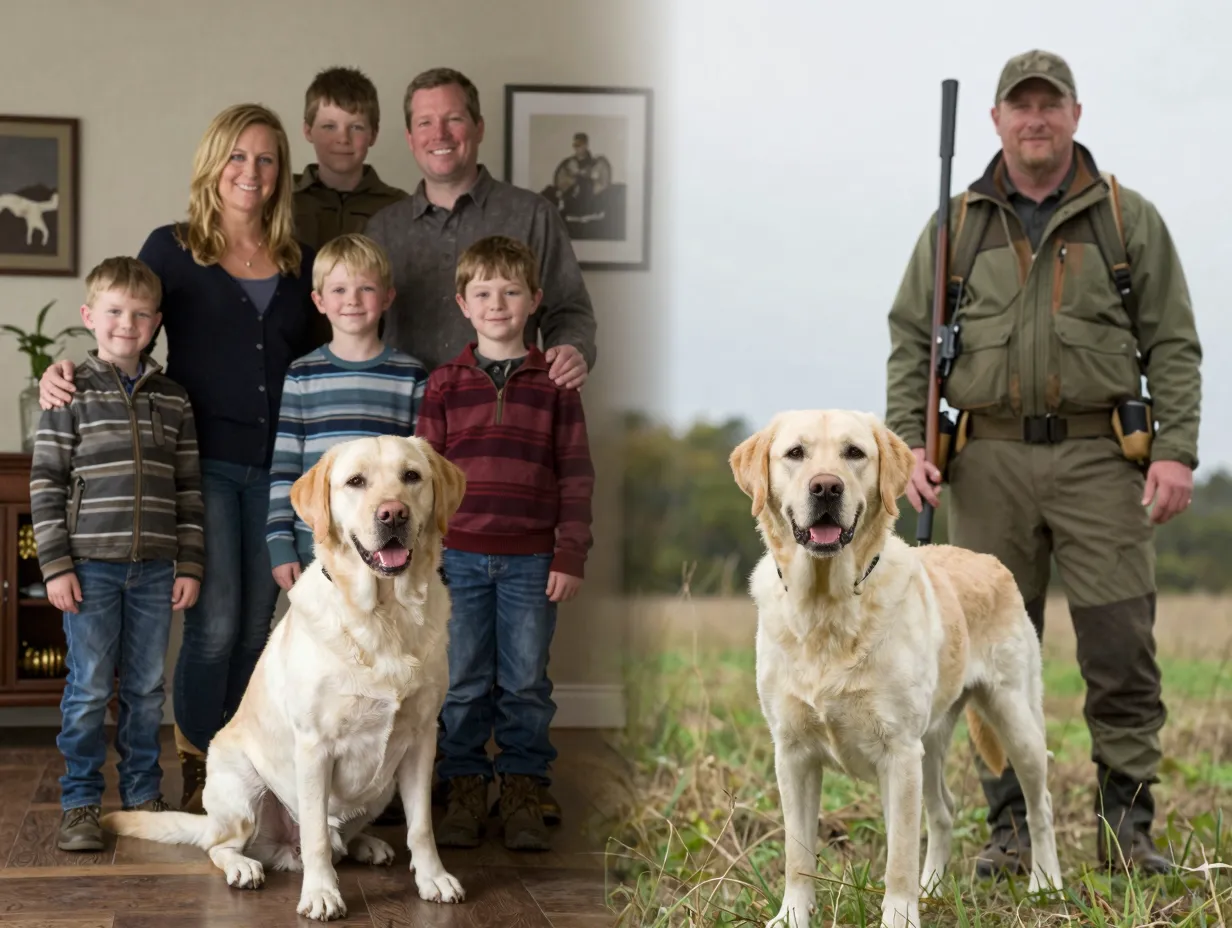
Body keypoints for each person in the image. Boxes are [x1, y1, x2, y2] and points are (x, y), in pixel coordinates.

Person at [884, 50, 1202, 876]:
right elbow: (912, 341)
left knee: (1120, 645)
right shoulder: (954, 225)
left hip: (1102, 458)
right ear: (995, 120)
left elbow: (1173, 342)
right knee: (981, 661)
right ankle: (1011, 833)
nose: (1035, 119)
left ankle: (1127, 831)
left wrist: (1175, 452)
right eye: (1019, 106)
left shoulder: (1127, 220)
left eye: (1048, 105)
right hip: (984, 461)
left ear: (1074, 114)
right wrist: (908, 448)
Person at [39, 103, 324, 813]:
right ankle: (202, 756)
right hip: (201, 463)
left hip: (282, 466)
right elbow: (121, 320)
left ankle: (250, 762)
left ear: (280, 171)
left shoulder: (299, 260)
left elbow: (322, 355)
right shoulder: (172, 248)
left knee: (260, 624)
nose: (250, 172)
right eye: (237, 156)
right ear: (212, 162)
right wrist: (60, 374)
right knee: (216, 622)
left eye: (265, 158)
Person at [415, 234, 594, 851]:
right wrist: (424, 556)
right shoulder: (443, 385)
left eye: (511, 292)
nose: (497, 304)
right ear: (462, 303)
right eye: (484, 293)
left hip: (532, 562)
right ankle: (463, 787)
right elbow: (424, 481)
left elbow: (575, 474)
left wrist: (569, 554)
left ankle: (522, 789)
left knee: (524, 683)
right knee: (461, 680)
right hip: (456, 559)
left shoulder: (556, 385)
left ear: (535, 301)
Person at [29, 256, 205, 851]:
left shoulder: (175, 400)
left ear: (155, 323)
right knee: (87, 687)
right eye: (113, 311)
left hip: (156, 570)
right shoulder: (68, 392)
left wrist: (190, 562)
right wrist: (55, 566)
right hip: (89, 570)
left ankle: (141, 793)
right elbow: (46, 483)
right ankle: (80, 801)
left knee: (147, 689)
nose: (125, 323)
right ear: (90, 317)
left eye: (138, 314)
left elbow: (188, 489)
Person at [364, 66, 596, 388]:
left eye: (454, 119)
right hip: (405, 422)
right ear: (410, 138)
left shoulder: (532, 215)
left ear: (479, 127)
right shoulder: (382, 230)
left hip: (505, 415)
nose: (439, 133)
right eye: (425, 122)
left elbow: (569, 310)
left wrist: (572, 349)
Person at [266, 232, 428, 585]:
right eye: (339, 290)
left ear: (387, 297)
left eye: (365, 289)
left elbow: (421, 466)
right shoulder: (301, 375)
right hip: (316, 539)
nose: (352, 300)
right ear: (319, 300)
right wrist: (280, 541)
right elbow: (285, 467)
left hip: (389, 537)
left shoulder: (411, 375)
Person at [293, 65, 408, 251]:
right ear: (308, 131)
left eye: (356, 127)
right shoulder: (282, 197)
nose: (343, 139)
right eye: (329, 127)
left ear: (374, 134)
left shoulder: (399, 207)